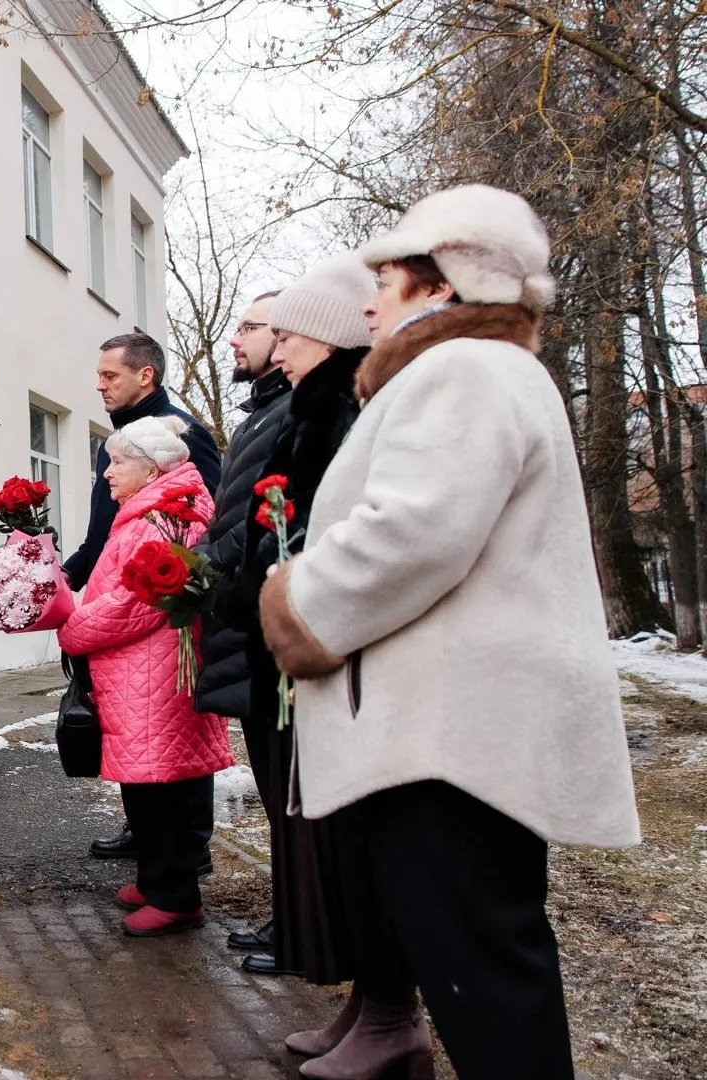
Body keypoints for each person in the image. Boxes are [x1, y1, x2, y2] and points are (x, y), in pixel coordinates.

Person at [260, 186, 640, 1080]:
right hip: (461, 730)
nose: (368, 304)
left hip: (452, 739)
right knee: (482, 963)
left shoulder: (463, 370)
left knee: (484, 977)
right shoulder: (485, 370)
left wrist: (296, 603)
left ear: (442, 283)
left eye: (385, 280)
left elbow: (414, 532)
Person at [221, 256, 380, 1004]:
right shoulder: (305, 409)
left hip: (312, 641)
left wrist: (265, 594)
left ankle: (355, 981)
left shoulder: (335, 412)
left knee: (321, 814)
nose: (276, 349)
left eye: (286, 336)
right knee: (292, 800)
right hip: (282, 634)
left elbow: (315, 528)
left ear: (326, 336)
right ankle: (352, 987)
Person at [52, 416, 231, 936]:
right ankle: (156, 880)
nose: (107, 473)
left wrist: (71, 627)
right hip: (142, 673)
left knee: (161, 787)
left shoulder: (165, 517)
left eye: (118, 462)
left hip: (154, 673)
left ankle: (176, 896)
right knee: (146, 782)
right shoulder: (151, 511)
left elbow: (136, 602)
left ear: (152, 470)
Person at [64, 333, 222, 861]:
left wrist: (165, 593)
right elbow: (102, 531)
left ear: (145, 375)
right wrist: (66, 576)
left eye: (110, 375)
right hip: (118, 599)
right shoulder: (116, 443)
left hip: (160, 614)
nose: (100, 385)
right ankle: (150, 836)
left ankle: (189, 845)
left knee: (171, 725)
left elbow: (200, 520)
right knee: (136, 727)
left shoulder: (180, 435)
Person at [190, 290, 292, 968]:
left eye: (250, 326)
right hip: (247, 625)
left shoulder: (290, 413)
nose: (234, 338)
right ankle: (294, 918)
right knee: (280, 789)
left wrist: (198, 570)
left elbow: (259, 528)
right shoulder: (262, 413)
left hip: (267, 627)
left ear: (287, 337)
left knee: (291, 791)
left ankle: (301, 926)